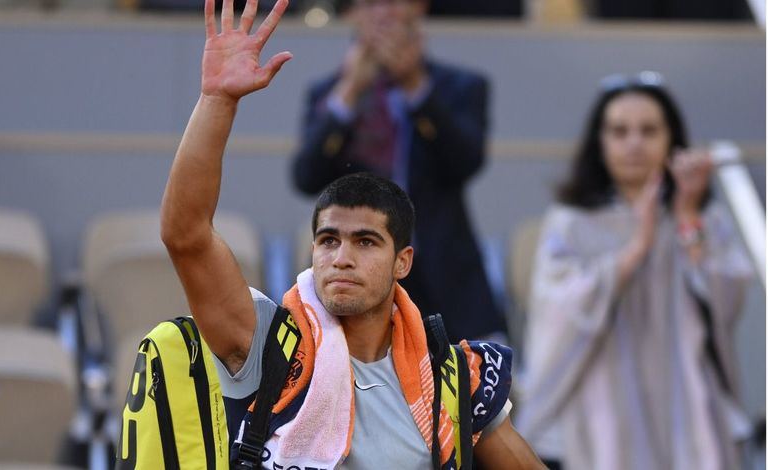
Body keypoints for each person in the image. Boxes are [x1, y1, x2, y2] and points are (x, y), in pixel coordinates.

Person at [160, 0, 545, 468]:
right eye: (328, 241)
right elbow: (187, 236)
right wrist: (217, 101)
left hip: (450, 287)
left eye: (364, 242)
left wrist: (413, 85)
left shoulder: (456, 379)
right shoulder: (266, 347)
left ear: (402, 259)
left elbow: (465, 159)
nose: (341, 256)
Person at [516, 72, 753, 470]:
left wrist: (686, 217)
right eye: (619, 131)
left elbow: (726, 302)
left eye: (648, 130)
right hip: (600, 399)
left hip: (683, 395)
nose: (634, 143)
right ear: (600, 141)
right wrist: (634, 251)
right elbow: (556, 310)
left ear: (671, 139)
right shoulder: (573, 220)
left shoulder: (700, 216)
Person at [290, 0, 505, 343]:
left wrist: (416, 88)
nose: (384, 12)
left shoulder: (461, 87)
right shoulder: (328, 93)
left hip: (442, 275)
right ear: (354, 12)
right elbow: (306, 177)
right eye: (372, 3)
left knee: (457, 392)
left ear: (418, 8)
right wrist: (348, 94)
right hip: (352, 274)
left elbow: (464, 163)